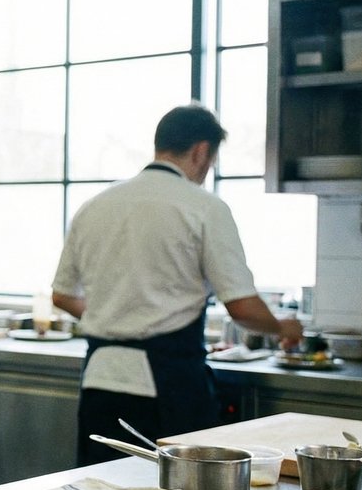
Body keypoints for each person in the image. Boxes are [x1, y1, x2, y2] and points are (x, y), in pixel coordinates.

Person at [51, 103, 303, 466]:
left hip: (100, 379)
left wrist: (116, 313)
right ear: (202, 151)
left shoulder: (94, 206)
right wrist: (282, 326)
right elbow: (242, 307)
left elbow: (62, 295)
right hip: (169, 384)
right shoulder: (204, 207)